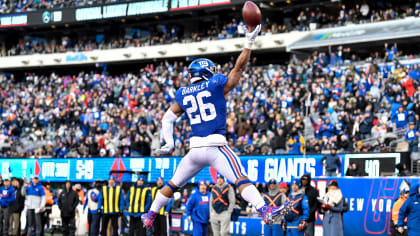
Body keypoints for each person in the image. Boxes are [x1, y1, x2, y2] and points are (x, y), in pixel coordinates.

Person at [142, 24, 291, 229]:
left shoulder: (183, 93)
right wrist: (248, 42)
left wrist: (169, 144)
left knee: (172, 184)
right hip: (215, 146)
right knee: (240, 179)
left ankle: (150, 214)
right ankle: (264, 210)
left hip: (194, 150)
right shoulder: (214, 85)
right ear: (206, 72)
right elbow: (238, 69)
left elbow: (167, 119)